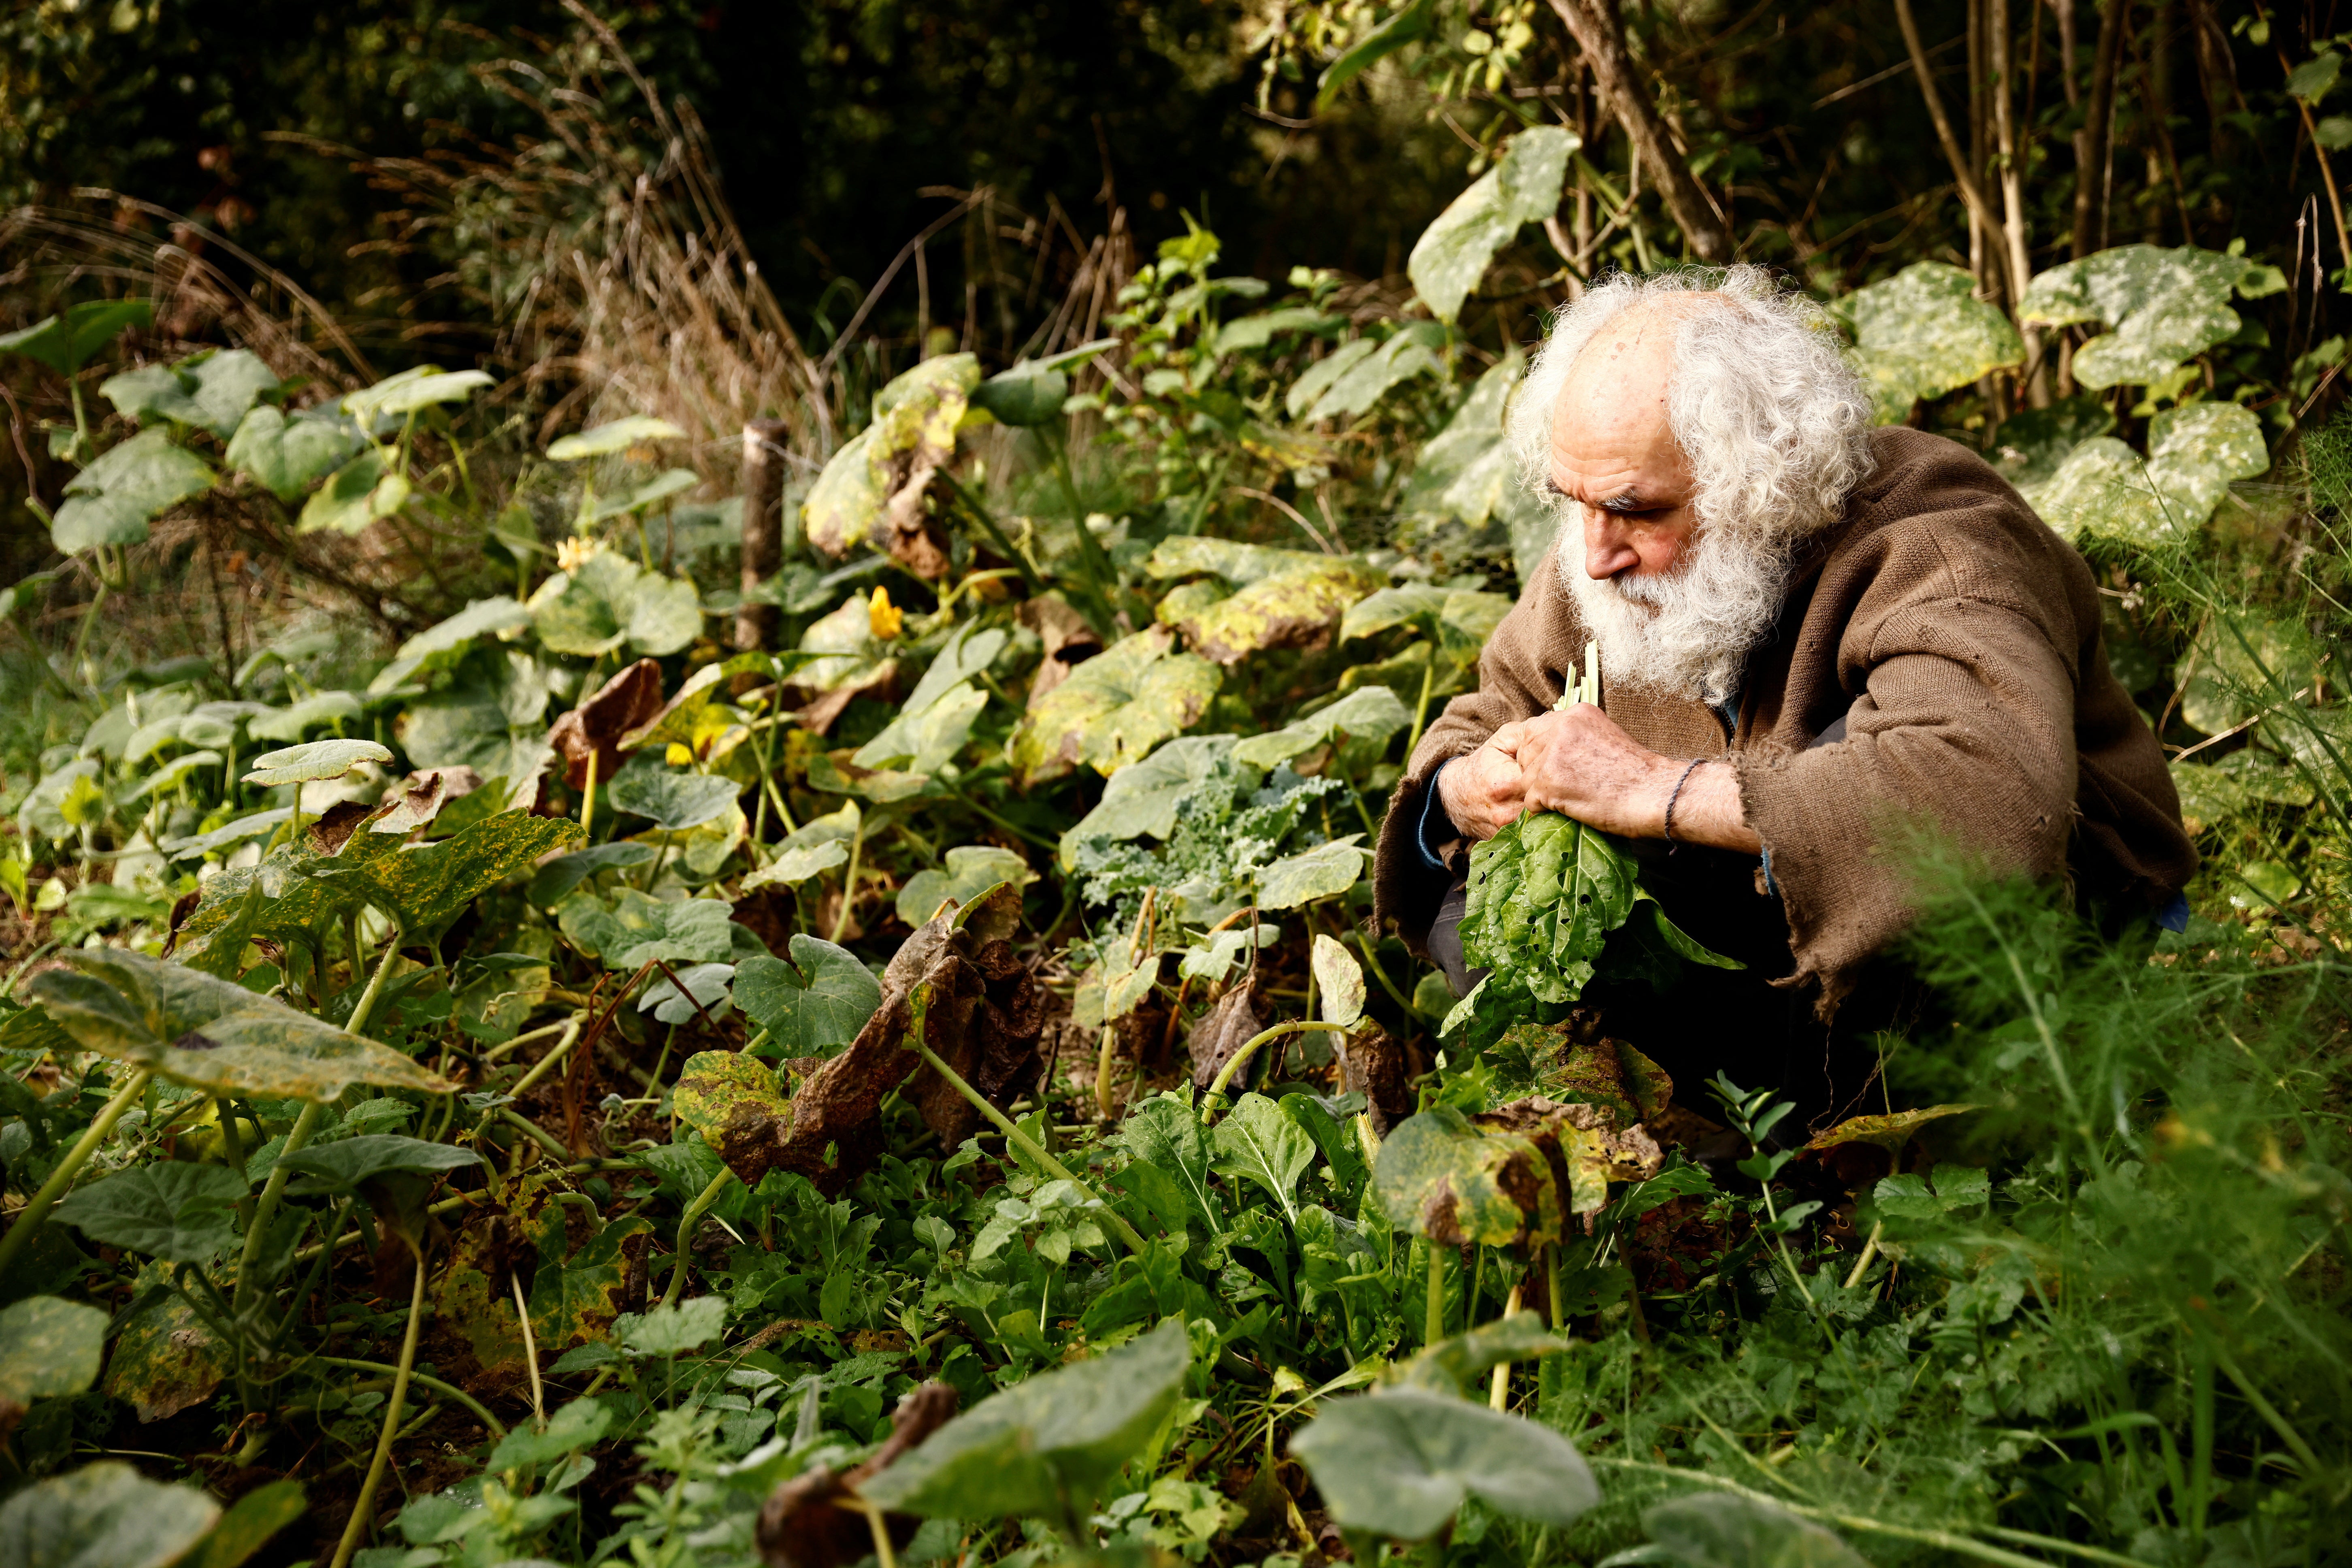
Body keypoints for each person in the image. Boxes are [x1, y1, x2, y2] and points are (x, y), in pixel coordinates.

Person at [1372, 266, 2196, 1127]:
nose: (1593, 557)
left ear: (1757, 486)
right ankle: (1697, 1129)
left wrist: (1649, 790)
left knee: (1850, 777)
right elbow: (1493, 705)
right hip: (1760, 960)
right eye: (1574, 502)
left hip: (2017, 963)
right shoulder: (1613, 548)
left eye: (1632, 509)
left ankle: (1873, 1129)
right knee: (1487, 908)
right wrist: (1467, 786)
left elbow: (1983, 798)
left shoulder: (1940, 542)